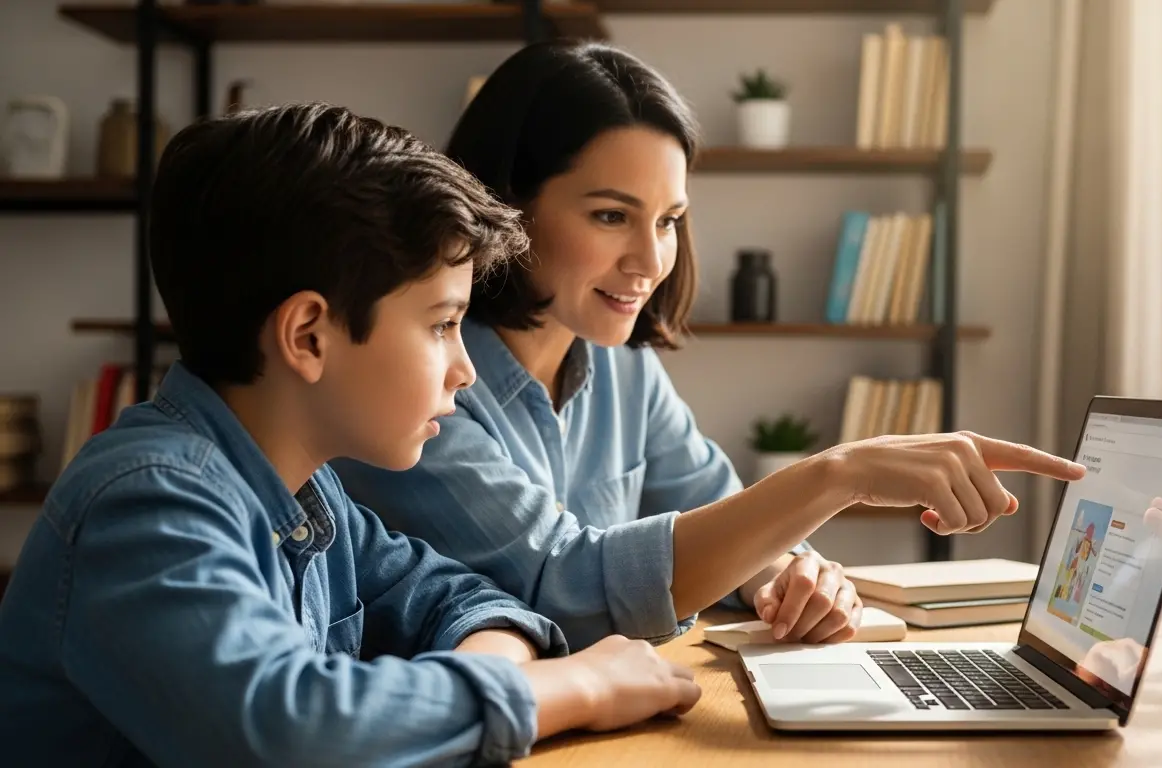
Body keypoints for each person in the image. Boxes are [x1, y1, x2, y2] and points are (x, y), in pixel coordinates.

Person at [0, 103, 700, 767]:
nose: (463, 369)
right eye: (441, 324)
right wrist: (576, 688)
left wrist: (490, 659)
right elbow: (292, 730)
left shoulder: (312, 495)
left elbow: (463, 597)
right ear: (308, 336)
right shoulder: (147, 505)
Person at [334, 41, 1086, 653]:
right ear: (506, 205)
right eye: (609, 215)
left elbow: (721, 516)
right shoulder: (417, 378)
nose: (649, 261)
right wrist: (840, 474)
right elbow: (563, 589)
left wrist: (786, 577)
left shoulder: (627, 369)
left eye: (668, 221)